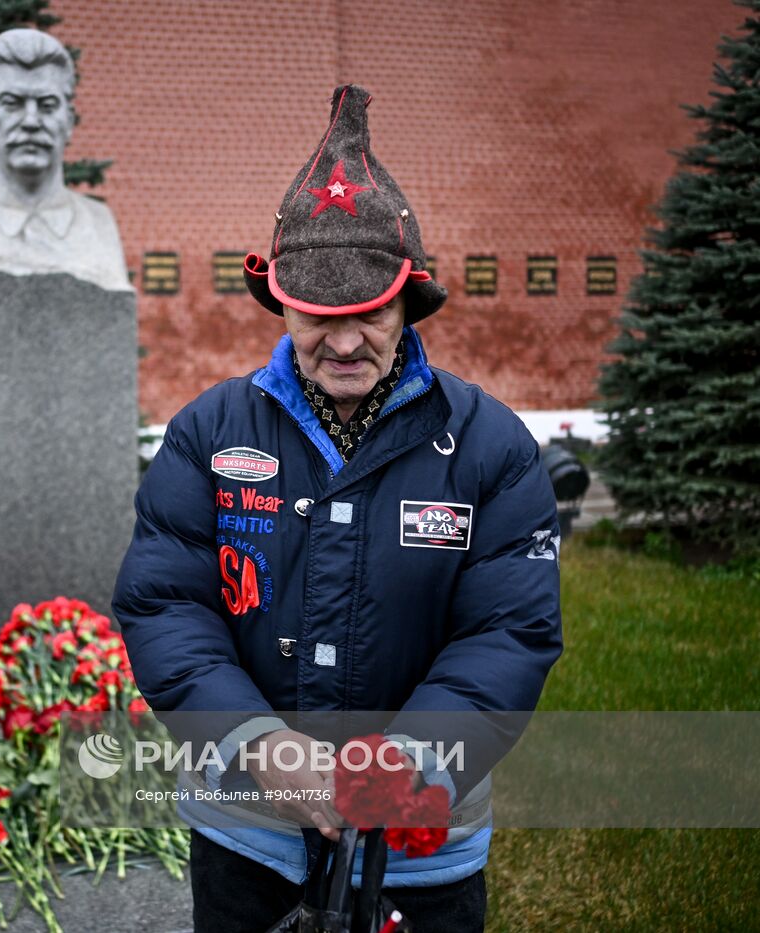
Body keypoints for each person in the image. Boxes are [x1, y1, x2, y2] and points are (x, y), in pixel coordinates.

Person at [112, 85, 563, 933]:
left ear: (409, 300)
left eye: (369, 310)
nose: (345, 341)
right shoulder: (207, 432)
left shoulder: (491, 447)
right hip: (248, 837)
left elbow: (511, 634)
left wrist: (408, 759)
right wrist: (254, 743)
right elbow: (166, 605)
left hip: (423, 851)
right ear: (281, 302)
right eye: (320, 313)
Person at [0, 28, 131, 293]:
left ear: (69, 121)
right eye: (12, 103)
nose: (31, 121)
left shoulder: (99, 225)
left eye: (47, 105)